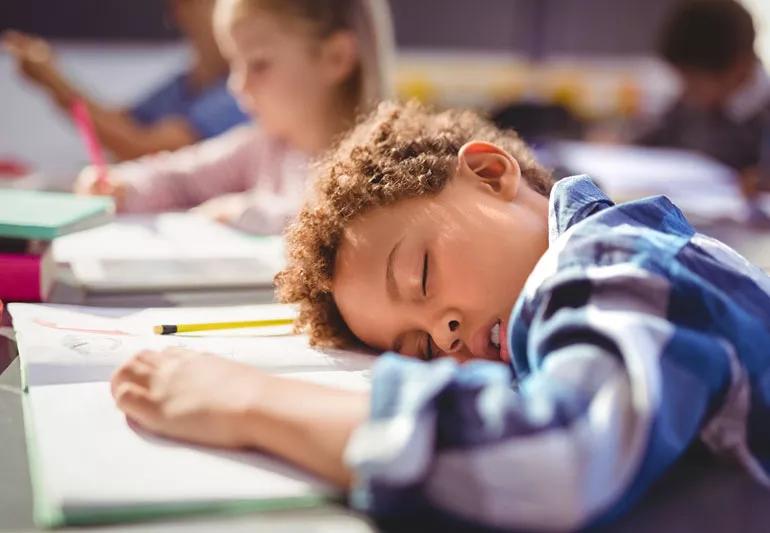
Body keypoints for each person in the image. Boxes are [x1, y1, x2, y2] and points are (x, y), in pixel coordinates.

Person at [110, 101, 770, 529]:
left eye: (421, 275)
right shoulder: (573, 294)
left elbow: (562, 456)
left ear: (488, 174)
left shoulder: (617, 260)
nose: (447, 338)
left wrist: (252, 401)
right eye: (420, 348)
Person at [74, 0, 394, 234]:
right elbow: (180, 177)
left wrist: (250, 214)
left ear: (335, 58)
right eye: (234, 65)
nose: (237, 84)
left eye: (258, 65)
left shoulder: (380, 166)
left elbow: (337, 224)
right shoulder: (263, 146)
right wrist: (123, 187)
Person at [3, 0, 249, 161]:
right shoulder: (183, 85)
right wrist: (51, 80)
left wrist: (53, 82)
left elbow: (143, 147)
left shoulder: (243, 90)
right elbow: (121, 124)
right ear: (178, 9)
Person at [637, 0, 770, 196]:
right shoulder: (686, 108)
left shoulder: (762, 117)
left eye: (694, 81)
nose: (686, 91)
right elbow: (651, 144)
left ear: (738, 66)